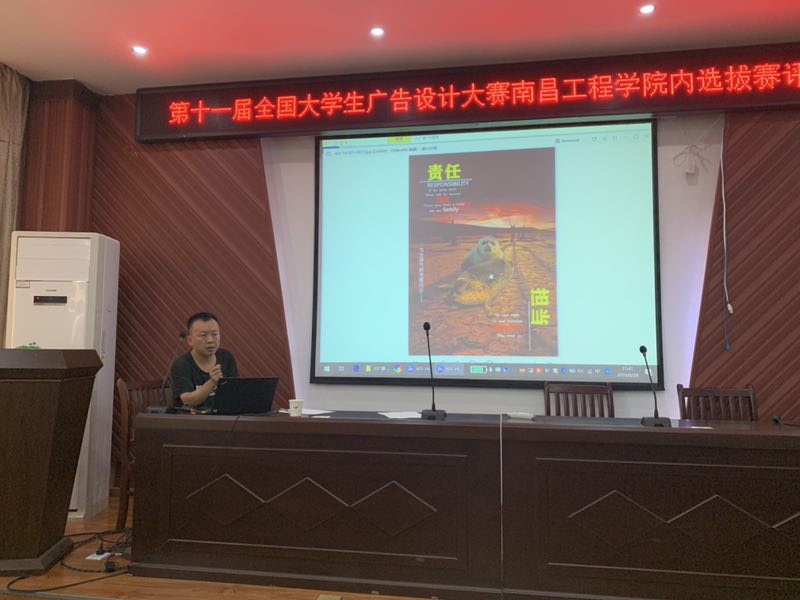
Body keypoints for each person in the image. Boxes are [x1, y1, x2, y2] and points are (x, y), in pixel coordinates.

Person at [170, 312, 238, 409]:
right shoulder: (181, 364)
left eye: (215, 334)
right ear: (190, 340)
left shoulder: (226, 357)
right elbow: (188, 401)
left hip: (223, 416)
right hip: (193, 417)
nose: (210, 340)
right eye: (203, 335)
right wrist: (213, 382)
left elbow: (235, 392)